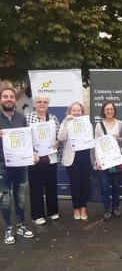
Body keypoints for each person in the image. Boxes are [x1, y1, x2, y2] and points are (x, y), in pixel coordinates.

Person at [0, 87, 35, 244]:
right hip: (2, 166)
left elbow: (26, 140)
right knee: (5, 199)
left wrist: (32, 153)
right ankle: (8, 229)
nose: (8, 99)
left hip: (20, 165)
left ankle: (21, 225)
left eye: (11, 97)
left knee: (20, 197)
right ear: (1, 99)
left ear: (15, 100)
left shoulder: (21, 117)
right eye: (5, 96)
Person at [26, 95, 60, 225]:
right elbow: (25, 137)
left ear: (48, 104)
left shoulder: (53, 118)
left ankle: (53, 212)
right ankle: (37, 215)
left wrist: (57, 142)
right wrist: (32, 153)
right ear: (35, 104)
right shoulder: (28, 118)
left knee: (51, 185)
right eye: (39, 102)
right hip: (34, 158)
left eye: (45, 102)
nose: (42, 104)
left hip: (50, 157)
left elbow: (57, 135)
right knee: (36, 187)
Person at [58, 102, 93, 221]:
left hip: (86, 158)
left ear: (82, 112)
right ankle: (76, 208)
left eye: (79, 111)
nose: (76, 113)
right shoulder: (66, 123)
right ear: (69, 112)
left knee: (85, 185)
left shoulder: (87, 123)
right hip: (72, 159)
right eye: (74, 110)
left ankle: (83, 207)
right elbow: (61, 137)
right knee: (75, 185)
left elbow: (91, 141)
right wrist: (66, 121)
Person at [94, 102, 122, 221]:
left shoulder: (120, 123)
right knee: (105, 187)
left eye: (111, 109)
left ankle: (116, 207)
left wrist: (119, 138)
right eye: (107, 109)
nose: (110, 111)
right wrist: (97, 161)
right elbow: (96, 143)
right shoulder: (99, 125)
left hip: (116, 160)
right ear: (103, 111)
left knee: (116, 186)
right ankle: (107, 209)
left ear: (114, 110)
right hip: (104, 161)